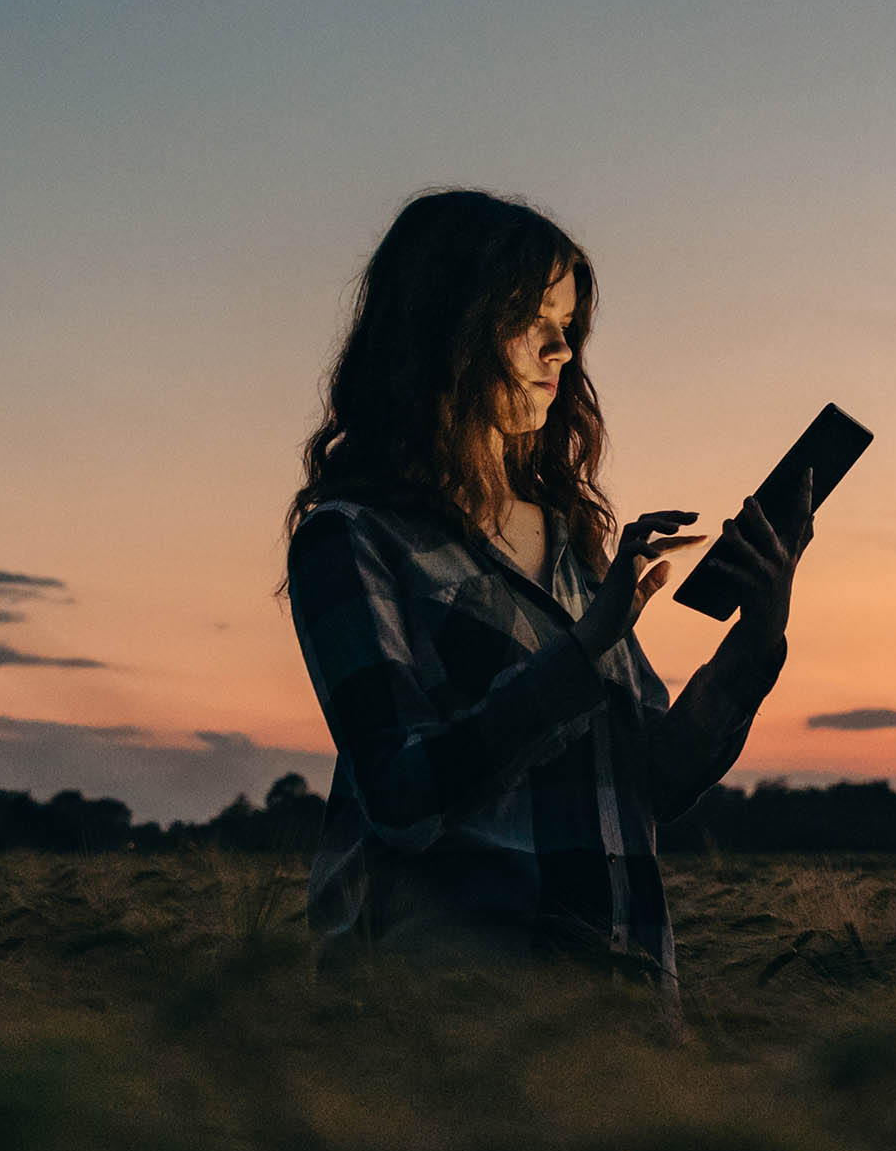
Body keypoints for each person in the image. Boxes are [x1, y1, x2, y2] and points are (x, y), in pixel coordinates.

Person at [284, 188, 810, 984]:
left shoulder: (572, 545)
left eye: (568, 329)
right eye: (532, 321)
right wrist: (584, 645)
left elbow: (651, 783)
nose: (561, 352)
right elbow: (403, 795)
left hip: (620, 1008)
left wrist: (757, 634)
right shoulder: (352, 539)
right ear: (446, 324)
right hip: (447, 1022)